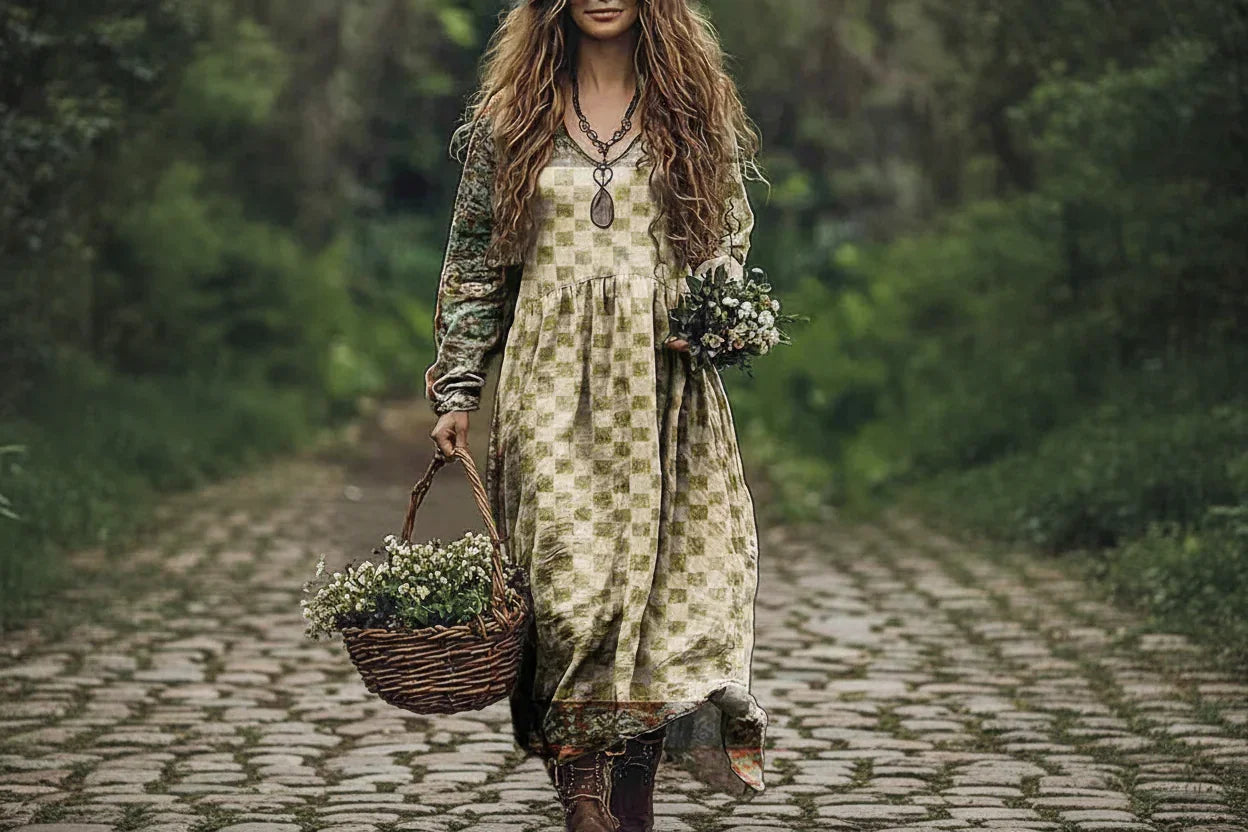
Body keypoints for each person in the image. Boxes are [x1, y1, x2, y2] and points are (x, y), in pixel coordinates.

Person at [423, 1, 768, 829]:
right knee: (573, 596)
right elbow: (474, 261)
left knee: (655, 606)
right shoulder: (511, 123)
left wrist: (713, 312)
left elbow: (725, 236)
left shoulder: (690, 107)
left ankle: (626, 806)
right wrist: (458, 385)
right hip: (550, 385)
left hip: (662, 390)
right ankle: (581, 784)